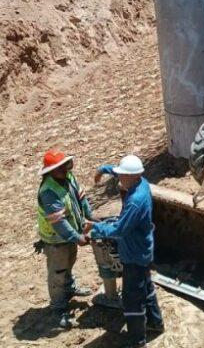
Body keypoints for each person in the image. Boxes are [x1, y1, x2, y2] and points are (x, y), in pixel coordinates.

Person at [87, 155, 163, 347]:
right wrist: (104, 169)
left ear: (131, 176)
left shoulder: (136, 201)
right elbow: (122, 172)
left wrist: (95, 228)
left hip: (134, 255)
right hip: (143, 249)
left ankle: (137, 341)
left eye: (121, 175)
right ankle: (155, 323)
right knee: (146, 287)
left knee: (132, 299)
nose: (118, 178)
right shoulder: (141, 182)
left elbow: (120, 230)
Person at [35, 149, 94, 328]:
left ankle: (69, 288)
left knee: (69, 262)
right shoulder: (48, 192)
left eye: (64, 166)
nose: (64, 169)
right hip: (56, 240)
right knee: (58, 271)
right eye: (59, 167)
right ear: (50, 171)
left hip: (69, 235)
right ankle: (58, 306)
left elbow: (81, 198)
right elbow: (58, 222)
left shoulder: (69, 177)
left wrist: (90, 217)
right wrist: (77, 237)